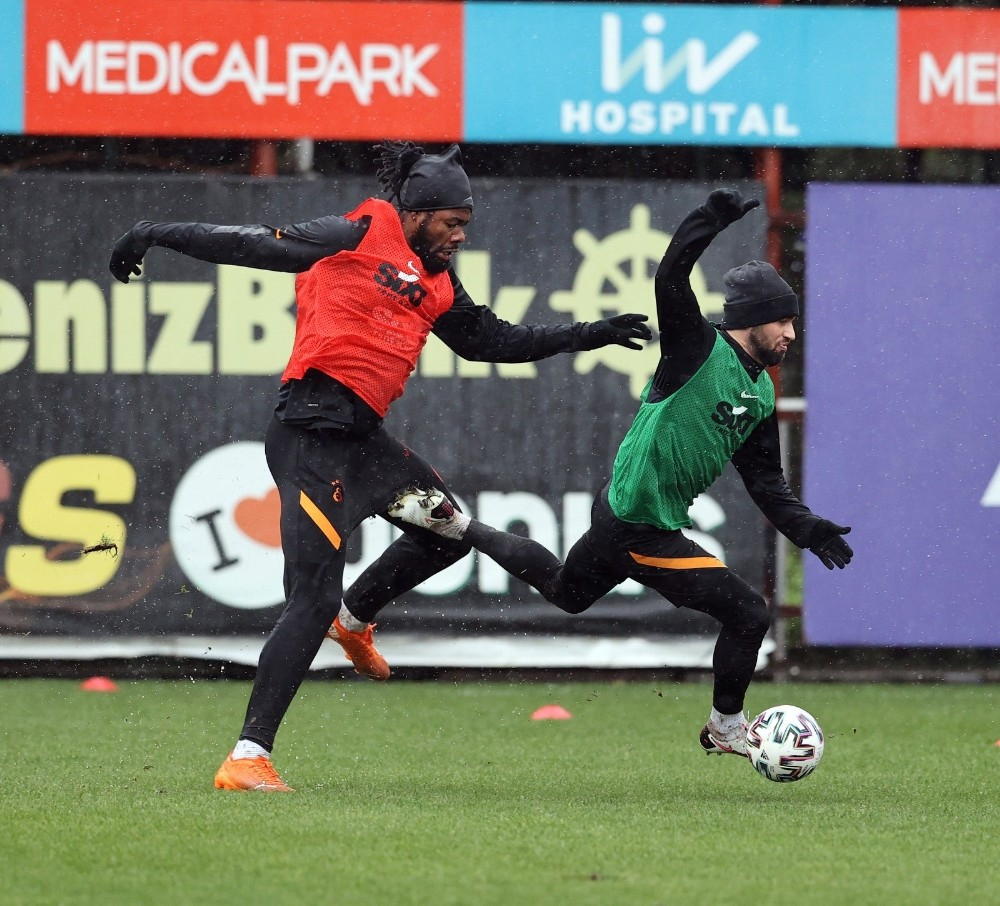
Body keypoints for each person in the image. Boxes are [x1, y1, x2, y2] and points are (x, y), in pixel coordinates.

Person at [108, 142, 652, 792]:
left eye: (466, 224)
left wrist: (587, 333)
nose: (459, 235)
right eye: (450, 222)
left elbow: (493, 342)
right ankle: (248, 756)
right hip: (310, 435)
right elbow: (254, 245)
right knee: (309, 598)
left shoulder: (440, 282)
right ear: (415, 212)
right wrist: (151, 234)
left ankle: (356, 619)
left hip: (362, 441)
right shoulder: (358, 232)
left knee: (445, 534)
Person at [385, 188, 853, 759]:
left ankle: (461, 528)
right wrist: (710, 219)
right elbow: (671, 278)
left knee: (567, 591)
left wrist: (809, 529)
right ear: (752, 319)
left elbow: (766, 485)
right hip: (638, 525)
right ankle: (725, 727)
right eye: (783, 321)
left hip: (623, 513)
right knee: (749, 613)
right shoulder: (696, 347)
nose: (791, 334)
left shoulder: (757, 393)